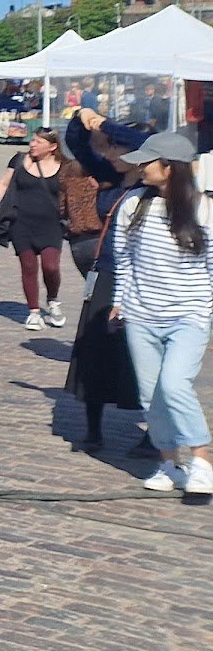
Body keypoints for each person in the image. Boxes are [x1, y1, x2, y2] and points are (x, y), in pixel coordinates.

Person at [105, 133, 213, 494]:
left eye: (147, 161)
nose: (140, 167)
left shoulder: (204, 209)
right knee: (152, 395)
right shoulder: (133, 204)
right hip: (141, 315)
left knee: (174, 383)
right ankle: (170, 463)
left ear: (169, 168)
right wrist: (120, 301)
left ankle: (202, 460)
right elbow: (124, 259)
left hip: (189, 315)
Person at [63, 106, 149, 447]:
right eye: (109, 146)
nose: (110, 152)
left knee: (141, 354)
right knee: (94, 351)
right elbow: (76, 143)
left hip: (144, 278)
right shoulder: (110, 175)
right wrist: (81, 117)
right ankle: (93, 428)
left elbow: (146, 139)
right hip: (106, 272)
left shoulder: (154, 186)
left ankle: (153, 434)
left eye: (117, 147)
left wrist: (105, 124)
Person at [0, 129, 69, 331]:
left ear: (52, 147)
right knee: (28, 266)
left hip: (50, 224)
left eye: (39, 142)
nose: (33, 144)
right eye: (33, 140)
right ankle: (33, 312)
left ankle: (53, 301)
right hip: (20, 222)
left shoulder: (65, 167)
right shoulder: (19, 160)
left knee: (51, 266)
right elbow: (3, 184)